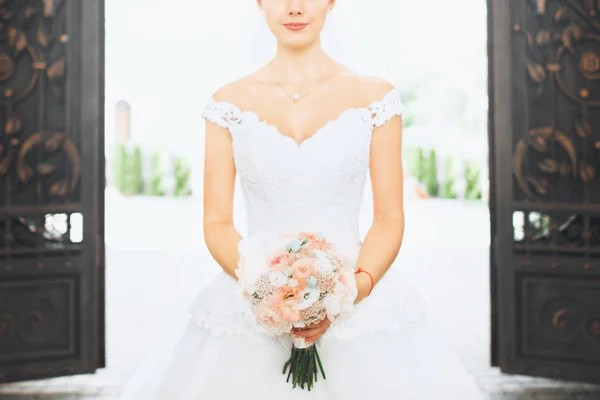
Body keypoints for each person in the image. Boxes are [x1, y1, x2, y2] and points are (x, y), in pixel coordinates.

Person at [118, 1, 485, 398]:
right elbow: (216, 223)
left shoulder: (376, 99)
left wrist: (348, 291)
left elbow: (389, 218)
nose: (294, 7)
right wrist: (267, 291)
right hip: (252, 295)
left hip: (358, 297)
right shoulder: (227, 105)